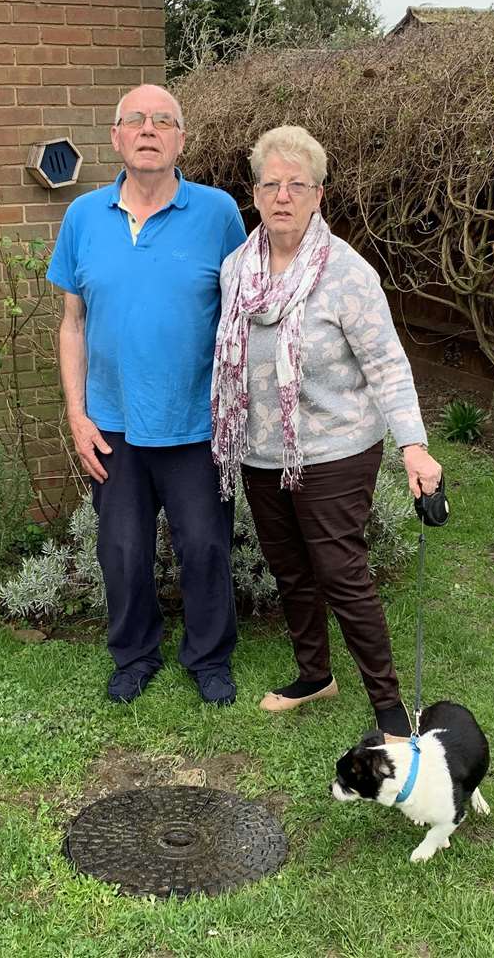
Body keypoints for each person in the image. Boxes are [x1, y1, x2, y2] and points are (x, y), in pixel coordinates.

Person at [211, 125, 442, 737]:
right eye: (271, 184)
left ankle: (390, 711)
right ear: (255, 194)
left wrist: (414, 448)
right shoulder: (237, 268)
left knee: (341, 574)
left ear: (317, 195)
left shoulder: (346, 273)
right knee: (290, 568)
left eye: (297, 185)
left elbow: (388, 363)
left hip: (338, 449)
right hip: (262, 451)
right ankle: (315, 674)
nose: (282, 195)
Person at [47, 84, 247, 706]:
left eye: (164, 121)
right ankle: (134, 655)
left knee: (206, 546)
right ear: (116, 137)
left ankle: (209, 659)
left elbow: (242, 313)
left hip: (197, 423)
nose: (149, 129)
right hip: (113, 425)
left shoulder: (218, 214)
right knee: (123, 550)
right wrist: (77, 416)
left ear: (182, 138)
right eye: (135, 120)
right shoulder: (82, 217)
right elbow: (72, 324)